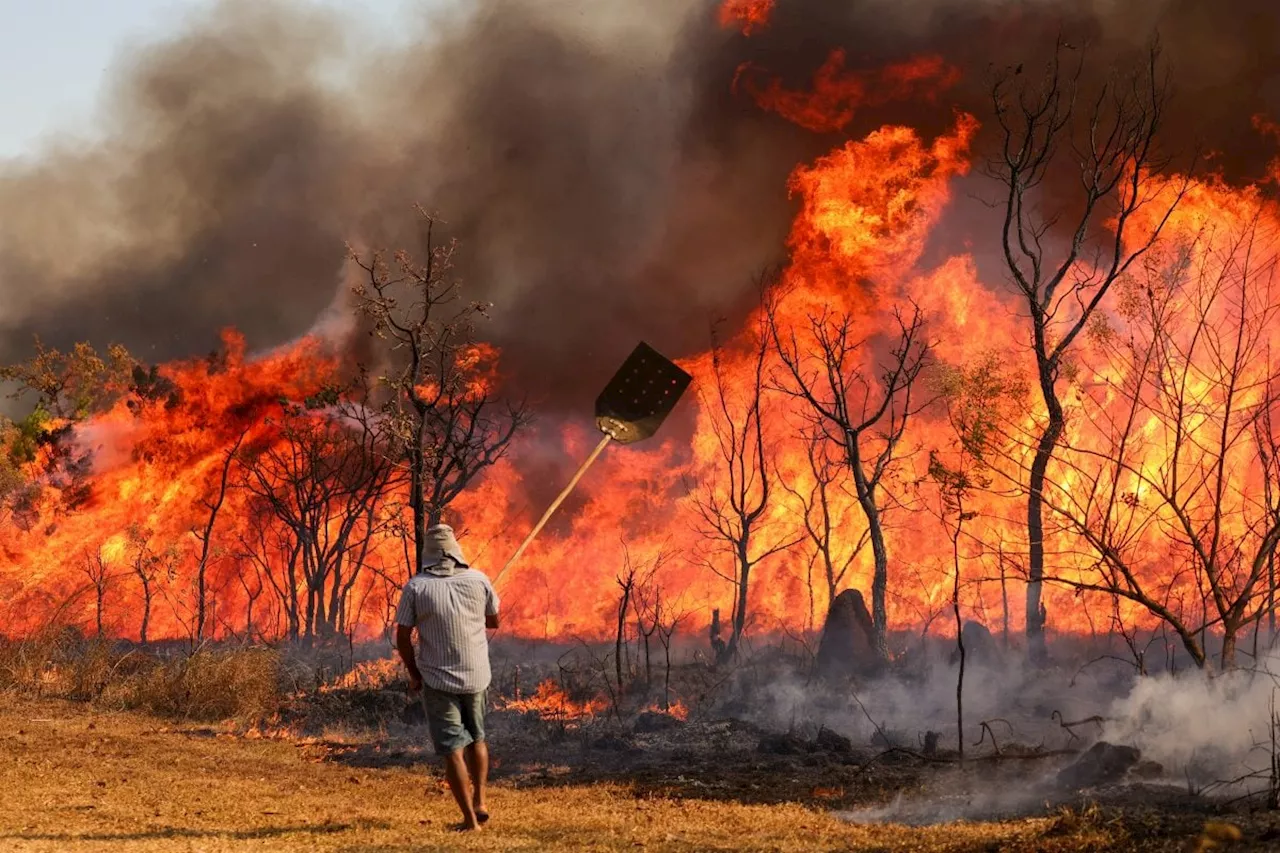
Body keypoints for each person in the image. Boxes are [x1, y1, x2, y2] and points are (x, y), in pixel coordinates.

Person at [395, 524, 500, 831]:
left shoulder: (416, 587)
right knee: (477, 738)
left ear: (427, 555)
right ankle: (480, 801)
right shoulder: (478, 579)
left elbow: (403, 637)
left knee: (452, 747)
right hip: (476, 675)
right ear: (456, 551)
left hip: (438, 679)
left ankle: (470, 821)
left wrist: (414, 674)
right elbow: (494, 621)